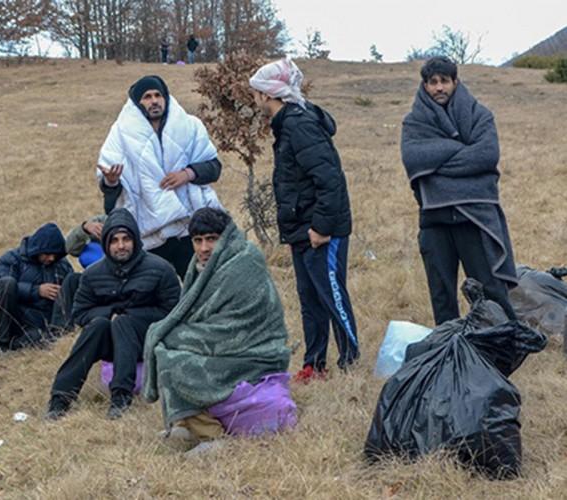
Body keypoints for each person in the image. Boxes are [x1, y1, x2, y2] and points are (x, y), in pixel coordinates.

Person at [143, 208, 293, 450]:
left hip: (253, 349)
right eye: (197, 240)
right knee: (165, 341)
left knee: (172, 358)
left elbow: (240, 323)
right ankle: (185, 422)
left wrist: (182, 337)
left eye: (211, 239)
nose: (204, 248)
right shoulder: (201, 264)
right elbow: (193, 311)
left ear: (225, 237)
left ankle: (211, 436)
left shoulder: (244, 261)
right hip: (223, 340)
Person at [249, 58, 359, 382]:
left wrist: (321, 228)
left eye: (257, 92)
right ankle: (315, 363)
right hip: (301, 228)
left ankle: (350, 360)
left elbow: (329, 179)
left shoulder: (299, 125)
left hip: (320, 229)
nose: (254, 99)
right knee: (309, 298)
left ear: (268, 94)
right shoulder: (287, 125)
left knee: (331, 294)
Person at [401, 56, 518, 325]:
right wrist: (461, 150)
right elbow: (414, 159)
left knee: (490, 289)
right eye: (433, 82)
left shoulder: (480, 115)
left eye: (445, 81)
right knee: (442, 296)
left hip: (475, 217)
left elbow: (486, 155)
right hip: (434, 220)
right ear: (425, 85)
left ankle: (502, 345)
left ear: (455, 82)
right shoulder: (414, 123)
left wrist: (437, 166)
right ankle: (449, 352)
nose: (439, 87)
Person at [46, 208, 180, 420]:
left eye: (126, 239)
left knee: (123, 323)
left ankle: (120, 396)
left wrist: (130, 317)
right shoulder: (93, 274)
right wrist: (110, 314)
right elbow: (80, 312)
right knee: (98, 325)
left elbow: (173, 312)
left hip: (148, 340)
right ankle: (60, 398)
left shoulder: (160, 269)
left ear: (135, 240)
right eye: (114, 240)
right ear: (106, 244)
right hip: (110, 342)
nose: (120, 245)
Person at [97, 75, 224, 277]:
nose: (154, 101)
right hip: (148, 230)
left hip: (188, 226)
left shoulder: (191, 126)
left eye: (158, 95)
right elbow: (110, 188)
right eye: (147, 97)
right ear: (137, 103)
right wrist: (111, 181)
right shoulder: (120, 134)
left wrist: (187, 174)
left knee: (202, 286)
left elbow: (214, 167)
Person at [0, 223, 78, 352]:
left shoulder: (62, 265)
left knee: (74, 280)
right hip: (15, 318)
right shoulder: (12, 259)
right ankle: (0, 344)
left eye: (55, 255)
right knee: (7, 283)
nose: (51, 258)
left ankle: (24, 342)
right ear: (37, 248)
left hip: (43, 324)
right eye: (48, 254)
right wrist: (36, 291)